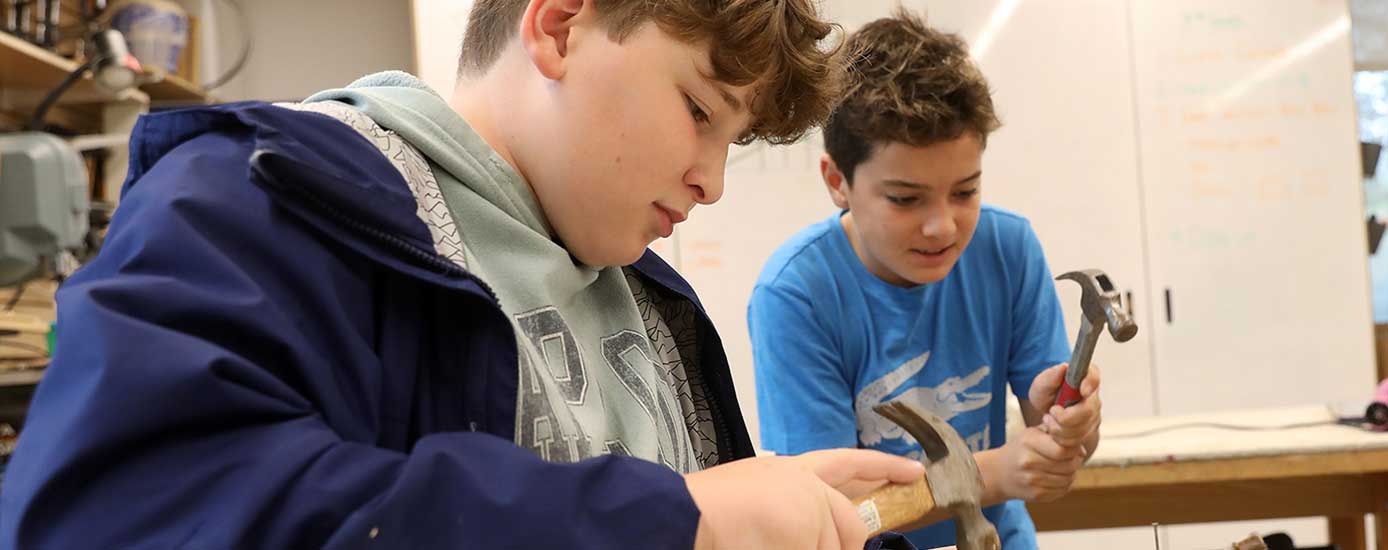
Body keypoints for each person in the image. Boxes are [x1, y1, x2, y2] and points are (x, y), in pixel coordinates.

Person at [0, 1, 927, 548]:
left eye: (733, 141)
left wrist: (759, 515)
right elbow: (122, 518)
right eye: (697, 111)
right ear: (560, 26)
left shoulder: (650, 299)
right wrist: (669, 518)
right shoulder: (251, 199)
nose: (712, 183)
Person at [748, 11, 1102, 550]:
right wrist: (988, 476)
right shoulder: (797, 295)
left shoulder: (1008, 249)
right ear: (837, 181)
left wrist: (1072, 425)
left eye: (965, 192)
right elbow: (830, 509)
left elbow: (1059, 445)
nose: (943, 227)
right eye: (905, 199)